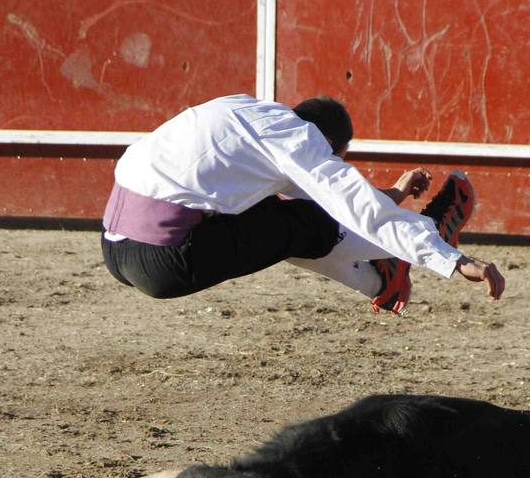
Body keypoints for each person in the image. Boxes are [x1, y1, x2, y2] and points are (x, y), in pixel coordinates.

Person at [99, 93, 505, 314]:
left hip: (114, 248)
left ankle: (386, 271)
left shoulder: (244, 110)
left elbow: (333, 198)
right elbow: (344, 202)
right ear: (330, 146)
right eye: (337, 159)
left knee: (279, 220)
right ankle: (403, 259)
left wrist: (392, 195)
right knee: (296, 227)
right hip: (161, 262)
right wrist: (450, 258)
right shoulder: (299, 140)